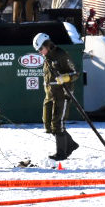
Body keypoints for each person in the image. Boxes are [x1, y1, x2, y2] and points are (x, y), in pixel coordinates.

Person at [32, 32, 80, 161]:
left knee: (57, 124)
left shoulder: (61, 55)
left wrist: (65, 77)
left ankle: (61, 154)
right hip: (50, 95)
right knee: (48, 124)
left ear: (47, 45)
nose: (40, 52)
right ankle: (71, 145)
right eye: (38, 50)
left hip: (62, 94)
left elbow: (75, 73)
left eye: (41, 49)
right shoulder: (47, 58)